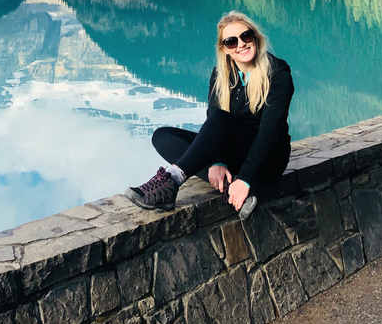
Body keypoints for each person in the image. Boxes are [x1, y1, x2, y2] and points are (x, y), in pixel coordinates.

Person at [125, 11, 294, 219]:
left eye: (246, 36)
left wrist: (247, 177)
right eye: (231, 42)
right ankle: (232, 187)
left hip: (269, 159)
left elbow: (269, 131)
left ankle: (172, 181)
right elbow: (213, 121)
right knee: (162, 137)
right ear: (225, 50)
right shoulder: (220, 75)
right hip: (235, 154)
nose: (241, 44)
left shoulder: (277, 74)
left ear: (256, 37)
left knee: (221, 120)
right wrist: (218, 161)